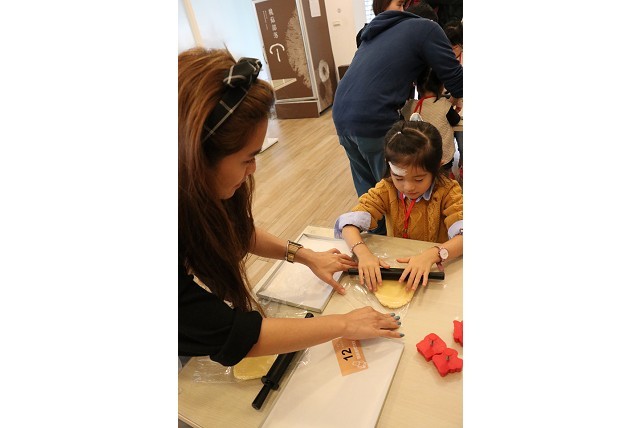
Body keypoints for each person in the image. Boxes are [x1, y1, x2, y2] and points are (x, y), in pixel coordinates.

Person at [178, 47, 403, 366]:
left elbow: (237, 231)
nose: (253, 169)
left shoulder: (195, 191)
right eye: (247, 158)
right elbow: (232, 333)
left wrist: (306, 255)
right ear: (196, 158)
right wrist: (344, 324)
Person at [333, 8, 463, 218]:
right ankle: (402, 236)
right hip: (374, 116)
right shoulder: (428, 28)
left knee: (369, 193)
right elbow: (457, 80)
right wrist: (456, 95)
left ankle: (373, 234)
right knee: (397, 192)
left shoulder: (380, 32)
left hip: (341, 115)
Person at [334, 120, 463, 292]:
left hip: (433, 269)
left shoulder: (448, 191)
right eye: (399, 178)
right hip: (397, 266)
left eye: (419, 179)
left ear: (438, 166)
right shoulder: (387, 189)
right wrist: (363, 254)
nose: (408, 187)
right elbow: (348, 224)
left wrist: (433, 254)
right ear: (389, 166)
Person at [403, 67, 461, 178]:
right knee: (443, 181)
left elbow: (401, 121)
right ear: (441, 86)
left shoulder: (410, 106)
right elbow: (456, 120)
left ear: (417, 87)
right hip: (443, 158)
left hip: (417, 157)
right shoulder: (444, 104)